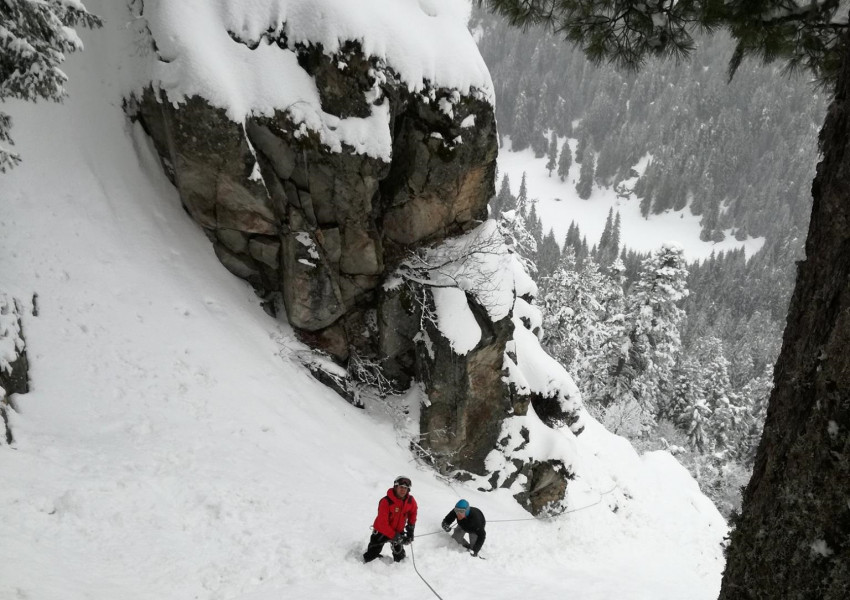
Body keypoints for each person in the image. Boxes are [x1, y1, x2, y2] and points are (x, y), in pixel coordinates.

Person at [363, 475, 418, 563]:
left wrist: (410, 529)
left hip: (398, 531)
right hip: (381, 531)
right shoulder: (386, 501)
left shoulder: (410, 501)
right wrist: (396, 536)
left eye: (406, 488)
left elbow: (413, 513)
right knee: (370, 558)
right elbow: (382, 523)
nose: (403, 490)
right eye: (401, 487)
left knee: (401, 560)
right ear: (396, 487)